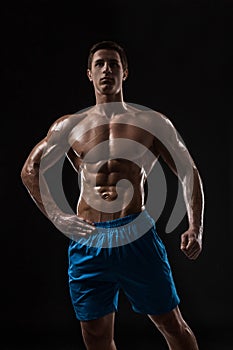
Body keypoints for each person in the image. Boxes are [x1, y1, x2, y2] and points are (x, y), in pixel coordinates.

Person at [21, 40, 204, 350]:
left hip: (135, 233)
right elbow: (30, 169)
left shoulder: (151, 122)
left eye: (113, 64)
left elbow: (188, 170)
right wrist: (56, 215)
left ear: (125, 73)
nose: (107, 69)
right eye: (100, 64)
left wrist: (195, 226)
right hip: (88, 239)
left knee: (171, 323)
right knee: (94, 334)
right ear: (90, 75)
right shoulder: (70, 125)